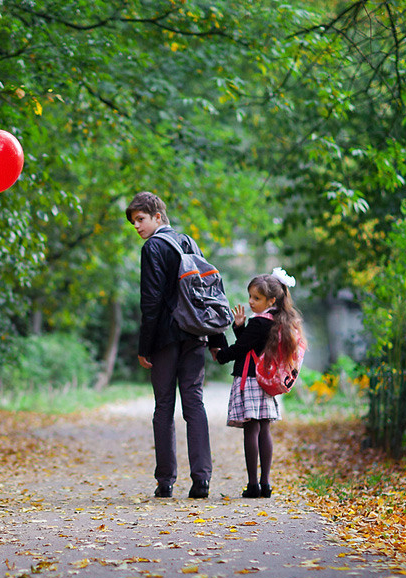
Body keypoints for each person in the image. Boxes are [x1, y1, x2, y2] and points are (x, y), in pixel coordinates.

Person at [126, 191, 212, 499]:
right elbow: (204, 293)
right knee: (195, 404)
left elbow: (150, 301)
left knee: (164, 406)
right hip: (195, 336)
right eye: (134, 221)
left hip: (165, 337)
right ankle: (202, 479)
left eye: (141, 219)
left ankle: (166, 480)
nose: (137, 226)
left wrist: (143, 346)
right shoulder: (188, 241)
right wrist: (214, 338)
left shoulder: (153, 247)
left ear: (157, 217)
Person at [212, 270, 306, 498]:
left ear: (271, 300)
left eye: (256, 298)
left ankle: (252, 484)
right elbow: (253, 344)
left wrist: (219, 353)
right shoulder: (281, 320)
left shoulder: (259, 323)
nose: (251, 302)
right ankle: (266, 483)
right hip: (267, 382)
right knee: (265, 429)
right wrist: (241, 327)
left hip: (250, 380)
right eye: (251, 297)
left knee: (251, 430)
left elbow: (240, 349)